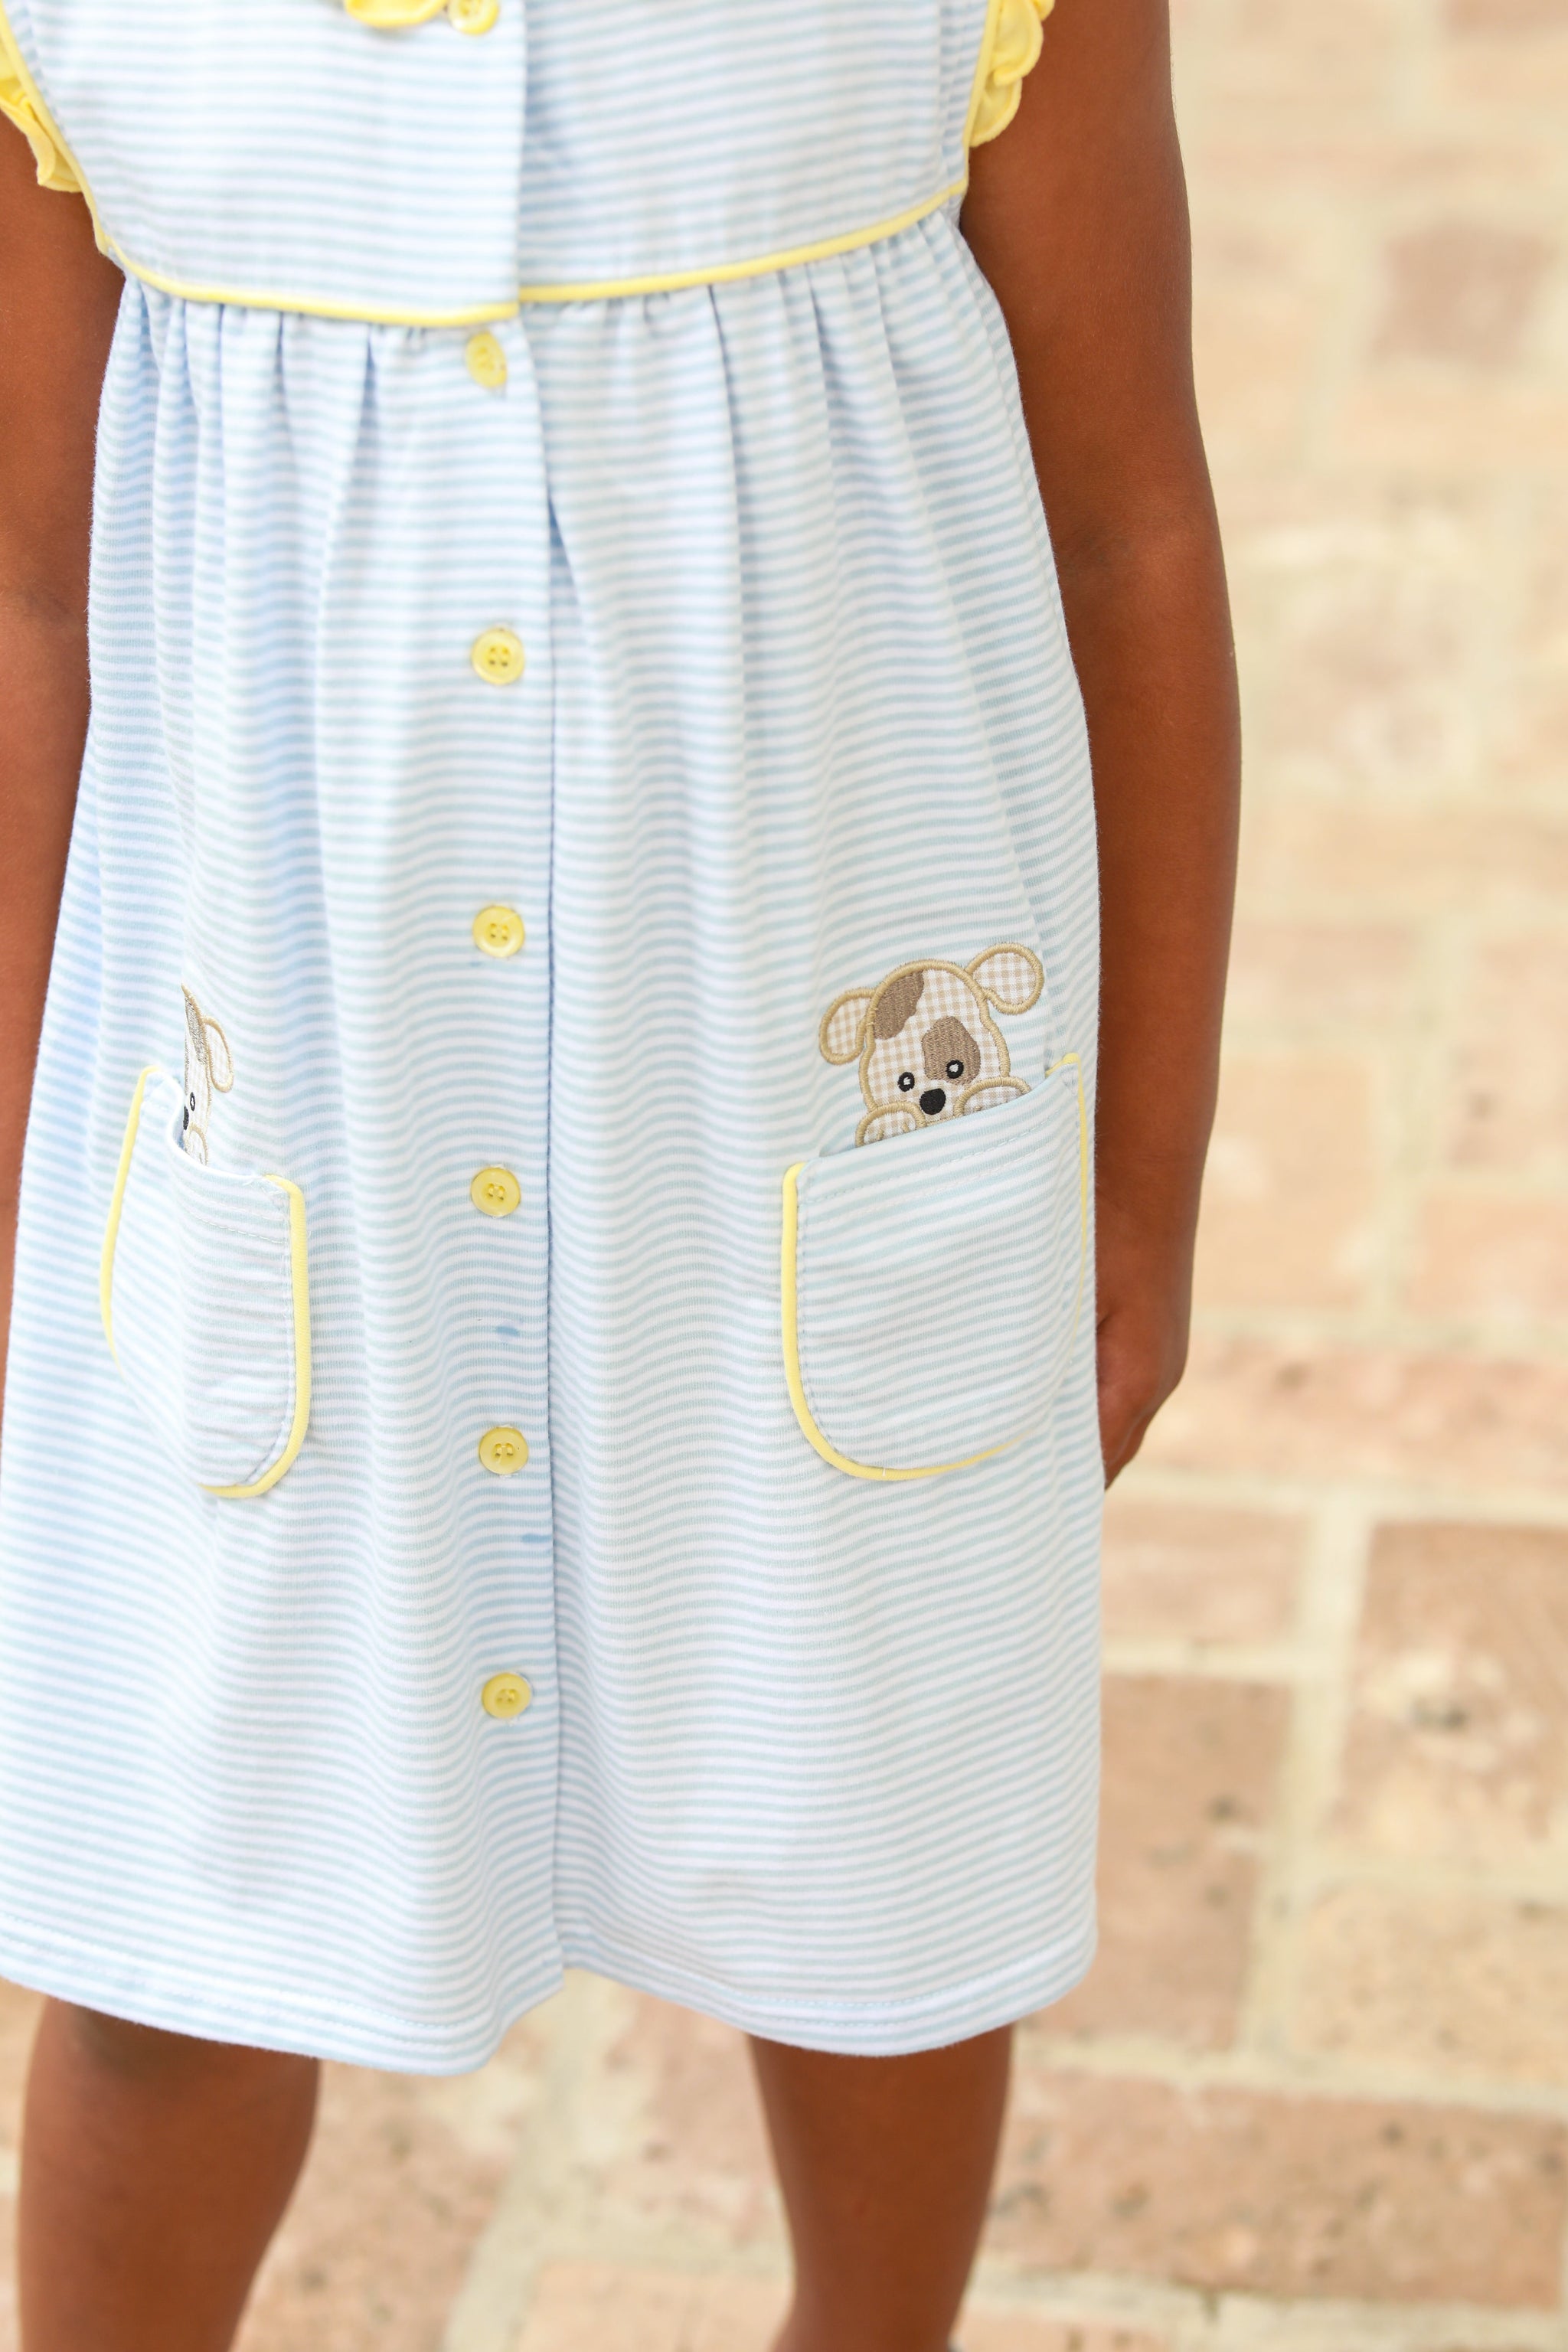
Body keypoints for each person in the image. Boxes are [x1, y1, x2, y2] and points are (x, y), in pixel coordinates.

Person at [0, 0, 1238, 2343]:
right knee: (177, 1928)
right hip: (289, 1143)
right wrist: (23, 1235)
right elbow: (36, 603)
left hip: (807, 1106)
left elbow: (1130, 522)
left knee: (875, 1860)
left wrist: (1147, 1174)